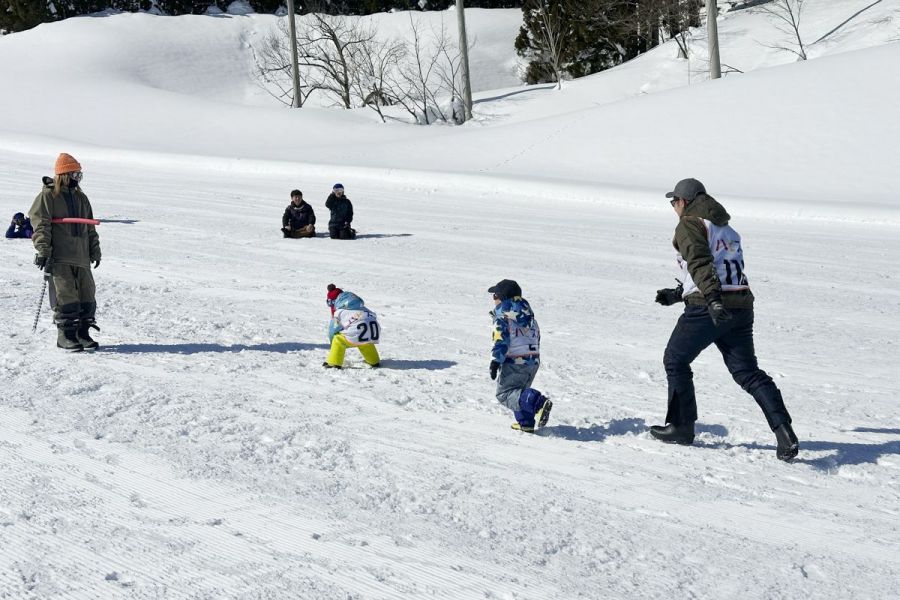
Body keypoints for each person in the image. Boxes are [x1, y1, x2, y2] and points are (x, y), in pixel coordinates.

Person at [652, 178, 799, 461]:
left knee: (675, 359)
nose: (673, 207)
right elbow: (719, 268)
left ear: (684, 201)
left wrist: (713, 300)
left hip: (709, 307)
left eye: (674, 201)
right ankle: (784, 433)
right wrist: (678, 293)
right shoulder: (726, 228)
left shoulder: (690, 223)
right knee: (747, 372)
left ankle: (681, 427)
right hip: (740, 306)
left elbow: (699, 262)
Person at [29, 153, 102, 352]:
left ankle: (82, 334)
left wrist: (94, 250)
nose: (77, 179)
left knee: (87, 295)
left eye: (80, 175)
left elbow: (90, 228)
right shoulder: (48, 195)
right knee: (66, 296)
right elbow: (40, 224)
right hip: (60, 256)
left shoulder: (81, 197)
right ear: (64, 174)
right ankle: (66, 336)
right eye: (75, 174)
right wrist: (44, 249)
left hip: (82, 256)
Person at [488, 279, 552, 433]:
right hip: (532, 360)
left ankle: (539, 402)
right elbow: (536, 337)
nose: (493, 299)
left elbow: (501, 339)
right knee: (519, 392)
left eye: (495, 295)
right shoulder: (530, 318)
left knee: (505, 393)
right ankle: (526, 423)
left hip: (514, 361)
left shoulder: (503, 317)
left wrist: (496, 360)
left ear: (503, 298)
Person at [324, 290, 380, 369]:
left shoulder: (340, 312)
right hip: (373, 334)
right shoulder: (365, 309)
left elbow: (333, 329)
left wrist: (332, 341)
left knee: (338, 340)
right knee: (365, 341)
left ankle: (334, 363)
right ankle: (374, 361)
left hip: (357, 335)